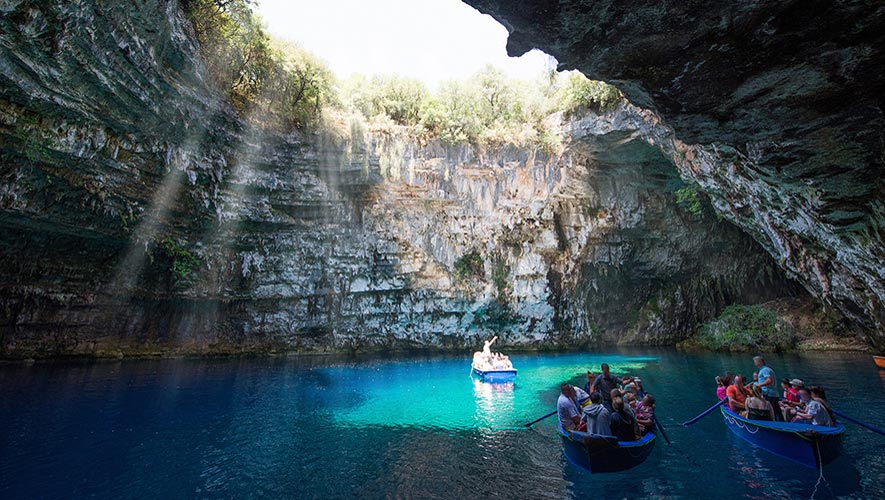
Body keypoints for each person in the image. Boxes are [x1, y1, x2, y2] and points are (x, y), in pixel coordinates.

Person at [753, 356, 782, 421]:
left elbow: (769, 380)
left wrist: (759, 385)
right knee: (776, 410)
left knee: (771, 411)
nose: (754, 363)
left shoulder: (764, 370)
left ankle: (775, 424)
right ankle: (781, 423)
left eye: (755, 361)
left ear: (759, 362)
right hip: (773, 393)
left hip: (769, 394)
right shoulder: (765, 369)